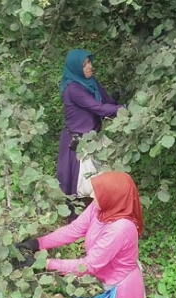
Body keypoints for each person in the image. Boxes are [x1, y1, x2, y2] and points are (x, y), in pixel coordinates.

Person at [16, 172, 146, 298]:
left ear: (113, 197)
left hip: (118, 291)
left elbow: (89, 265)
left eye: (98, 194)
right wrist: (38, 243)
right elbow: (74, 230)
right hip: (100, 281)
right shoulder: (100, 208)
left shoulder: (121, 228)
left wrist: (44, 264)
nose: (93, 198)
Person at [57, 49, 126, 222]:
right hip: (79, 141)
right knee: (80, 186)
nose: (89, 66)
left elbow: (106, 101)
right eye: (84, 64)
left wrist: (116, 105)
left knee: (101, 179)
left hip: (94, 136)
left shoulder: (90, 81)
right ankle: (78, 222)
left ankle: (101, 216)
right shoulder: (73, 89)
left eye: (89, 62)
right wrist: (124, 109)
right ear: (76, 68)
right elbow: (98, 108)